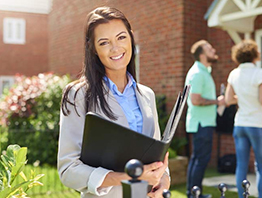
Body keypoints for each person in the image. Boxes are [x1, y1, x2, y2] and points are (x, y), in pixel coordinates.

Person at [57, 6, 170, 198]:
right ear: (93, 49)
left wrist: (164, 181)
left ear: (131, 38)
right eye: (104, 42)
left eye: (121, 37)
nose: (116, 48)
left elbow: (156, 157)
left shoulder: (147, 95)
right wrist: (124, 177)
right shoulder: (78, 95)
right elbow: (68, 170)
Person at [185, 40, 225, 198]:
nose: (213, 50)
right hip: (201, 124)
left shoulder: (204, 71)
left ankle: (193, 193)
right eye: (209, 49)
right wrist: (217, 101)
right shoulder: (197, 73)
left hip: (204, 123)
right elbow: (195, 100)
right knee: (200, 160)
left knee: (198, 159)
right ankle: (194, 194)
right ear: (202, 55)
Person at [225, 39, 262, 198]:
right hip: (257, 124)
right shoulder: (259, 73)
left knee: (241, 165)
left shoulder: (234, 73)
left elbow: (228, 100)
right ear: (254, 54)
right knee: (260, 166)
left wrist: (242, 97)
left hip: (240, 124)